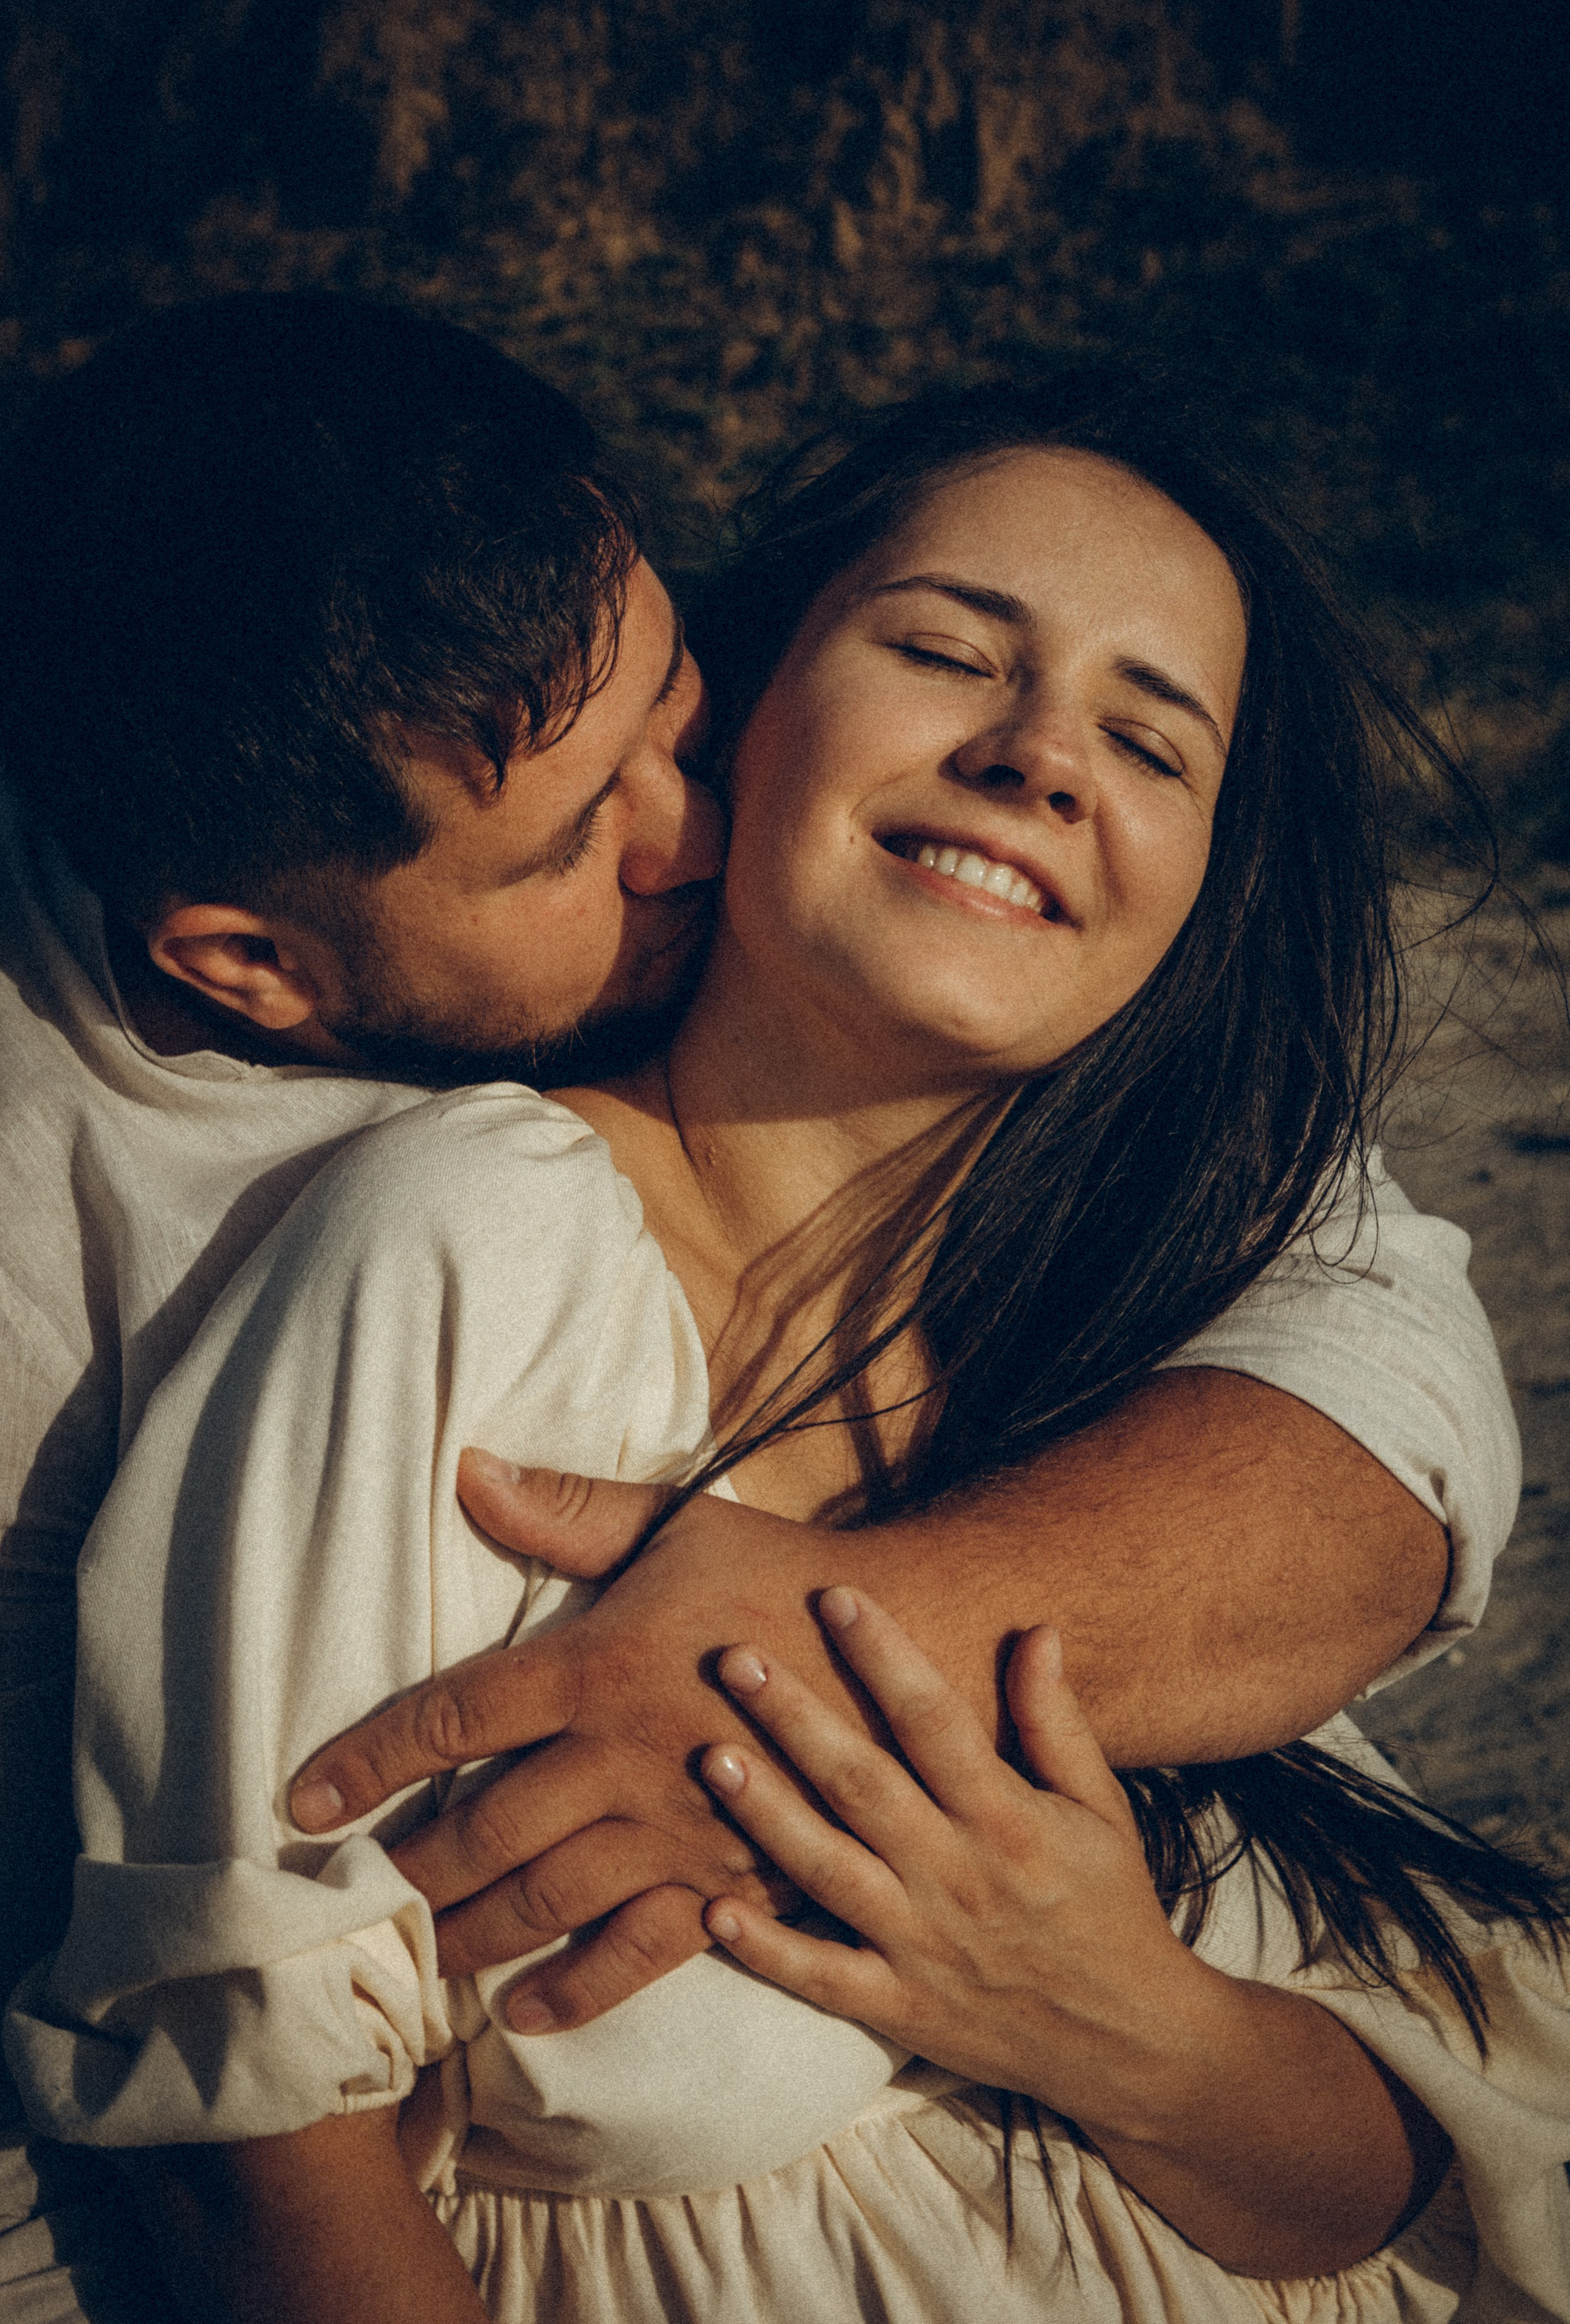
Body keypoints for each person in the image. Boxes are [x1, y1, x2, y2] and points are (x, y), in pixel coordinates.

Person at [10, 377, 1568, 2324]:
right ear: (751, 704)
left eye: (1150, 742)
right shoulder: (465, 1247)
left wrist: (1116, 2017)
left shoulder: (1122, 1373)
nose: (1041, 757)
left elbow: (1393, 2185)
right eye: (944, 651)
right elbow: (251, 2159)